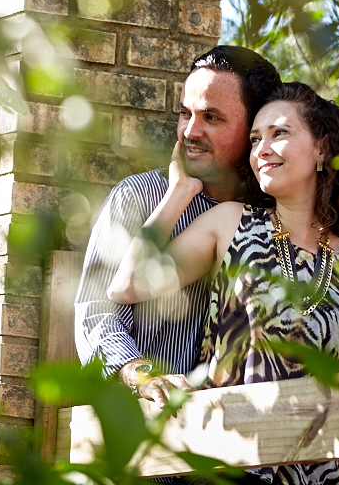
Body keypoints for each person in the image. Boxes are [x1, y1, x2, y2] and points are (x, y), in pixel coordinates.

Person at [108, 82, 339, 485]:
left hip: (313, 476)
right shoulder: (231, 223)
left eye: (279, 133)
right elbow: (126, 286)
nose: (262, 150)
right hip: (226, 464)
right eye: (255, 139)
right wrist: (180, 191)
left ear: (321, 149)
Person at [73, 46, 282, 407]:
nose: (190, 131)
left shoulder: (273, 217)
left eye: (212, 118)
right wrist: (143, 376)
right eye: (186, 113)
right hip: (151, 425)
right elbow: (96, 314)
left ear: (254, 130)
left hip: (243, 435)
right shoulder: (139, 196)